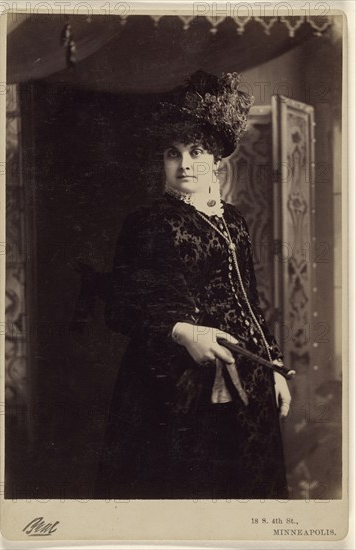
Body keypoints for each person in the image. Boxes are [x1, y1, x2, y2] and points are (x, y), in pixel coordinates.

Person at [96, 70, 292, 500]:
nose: (185, 163)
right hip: (175, 385)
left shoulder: (234, 220)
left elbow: (249, 300)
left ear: (216, 161)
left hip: (247, 379)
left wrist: (273, 368)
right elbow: (122, 305)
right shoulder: (147, 222)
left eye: (196, 151)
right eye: (173, 153)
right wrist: (185, 332)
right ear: (162, 161)